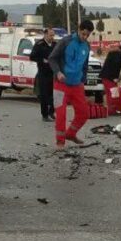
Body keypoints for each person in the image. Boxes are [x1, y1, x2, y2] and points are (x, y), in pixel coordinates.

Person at [48, 19, 94, 148]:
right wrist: (58, 72)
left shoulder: (87, 46)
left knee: (84, 113)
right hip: (60, 84)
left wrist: (83, 79)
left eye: (87, 35)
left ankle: (70, 134)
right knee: (61, 114)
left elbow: (85, 64)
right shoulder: (65, 42)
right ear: (79, 30)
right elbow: (52, 58)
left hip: (77, 85)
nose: (85, 37)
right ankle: (60, 141)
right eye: (83, 34)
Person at [29, 28, 56, 122]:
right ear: (45, 35)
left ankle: (51, 112)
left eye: (53, 35)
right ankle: (45, 115)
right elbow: (32, 57)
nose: (52, 37)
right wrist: (42, 60)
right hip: (43, 73)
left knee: (52, 94)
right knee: (44, 95)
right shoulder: (39, 44)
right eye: (50, 35)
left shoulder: (55, 45)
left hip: (52, 73)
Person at [99, 41, 121, 114]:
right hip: (110, 77)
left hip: (105, 76)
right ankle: (112, 110)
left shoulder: (116, 52)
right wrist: (115, 78)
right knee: (113, 94)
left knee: (109, 93)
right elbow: (114, 66)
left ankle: (110, 110)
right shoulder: (118, 54)